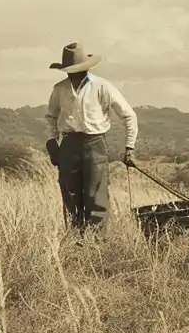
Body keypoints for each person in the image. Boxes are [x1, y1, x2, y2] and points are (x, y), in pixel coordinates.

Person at [44, 42, 139, 232]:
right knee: (71, 195)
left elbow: (128, 115)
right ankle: (76, 239)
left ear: (85, 68)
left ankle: (96, 245)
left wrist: (129, 147)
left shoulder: (102, 86)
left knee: (96, 197)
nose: (72, 74)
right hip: (69, 144)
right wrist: (53, 143)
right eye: (69, 70)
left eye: (75, 69)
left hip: (94, 143)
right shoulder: (59, 89)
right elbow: (51, 117)